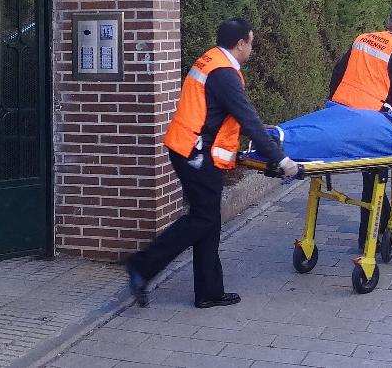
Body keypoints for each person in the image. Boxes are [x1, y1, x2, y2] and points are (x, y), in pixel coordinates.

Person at [126, 18, 299, 309]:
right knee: (203, 219)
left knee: (209, 219)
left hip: (188, 147)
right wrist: (281, 160)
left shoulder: (211, 60)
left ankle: (209, 291)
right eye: (251, 43)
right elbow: (247, 118)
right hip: (195, 153)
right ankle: (142, 265)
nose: (252, 49)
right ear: (240, 43)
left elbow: (226, 115)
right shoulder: (223, 73)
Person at [328, 3, 392, 247]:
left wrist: (335, 106)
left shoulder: (363, 39)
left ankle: (378, 225)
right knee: (375, 178)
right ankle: (370, 237)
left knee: (371, 176)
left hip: (342, 112)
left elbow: (338, 73)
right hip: (370, 122)